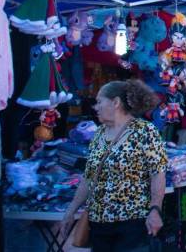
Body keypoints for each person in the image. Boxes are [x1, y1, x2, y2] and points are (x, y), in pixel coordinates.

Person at [59, 80, 167, 251]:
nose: (95, 107)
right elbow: (88, 177)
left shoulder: (144, 131)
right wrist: (70, 211)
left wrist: (155, 209)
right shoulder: (99, 134)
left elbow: (158, 174)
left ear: (116, 102)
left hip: (132, 223)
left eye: (99, 102)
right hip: (99, 224)